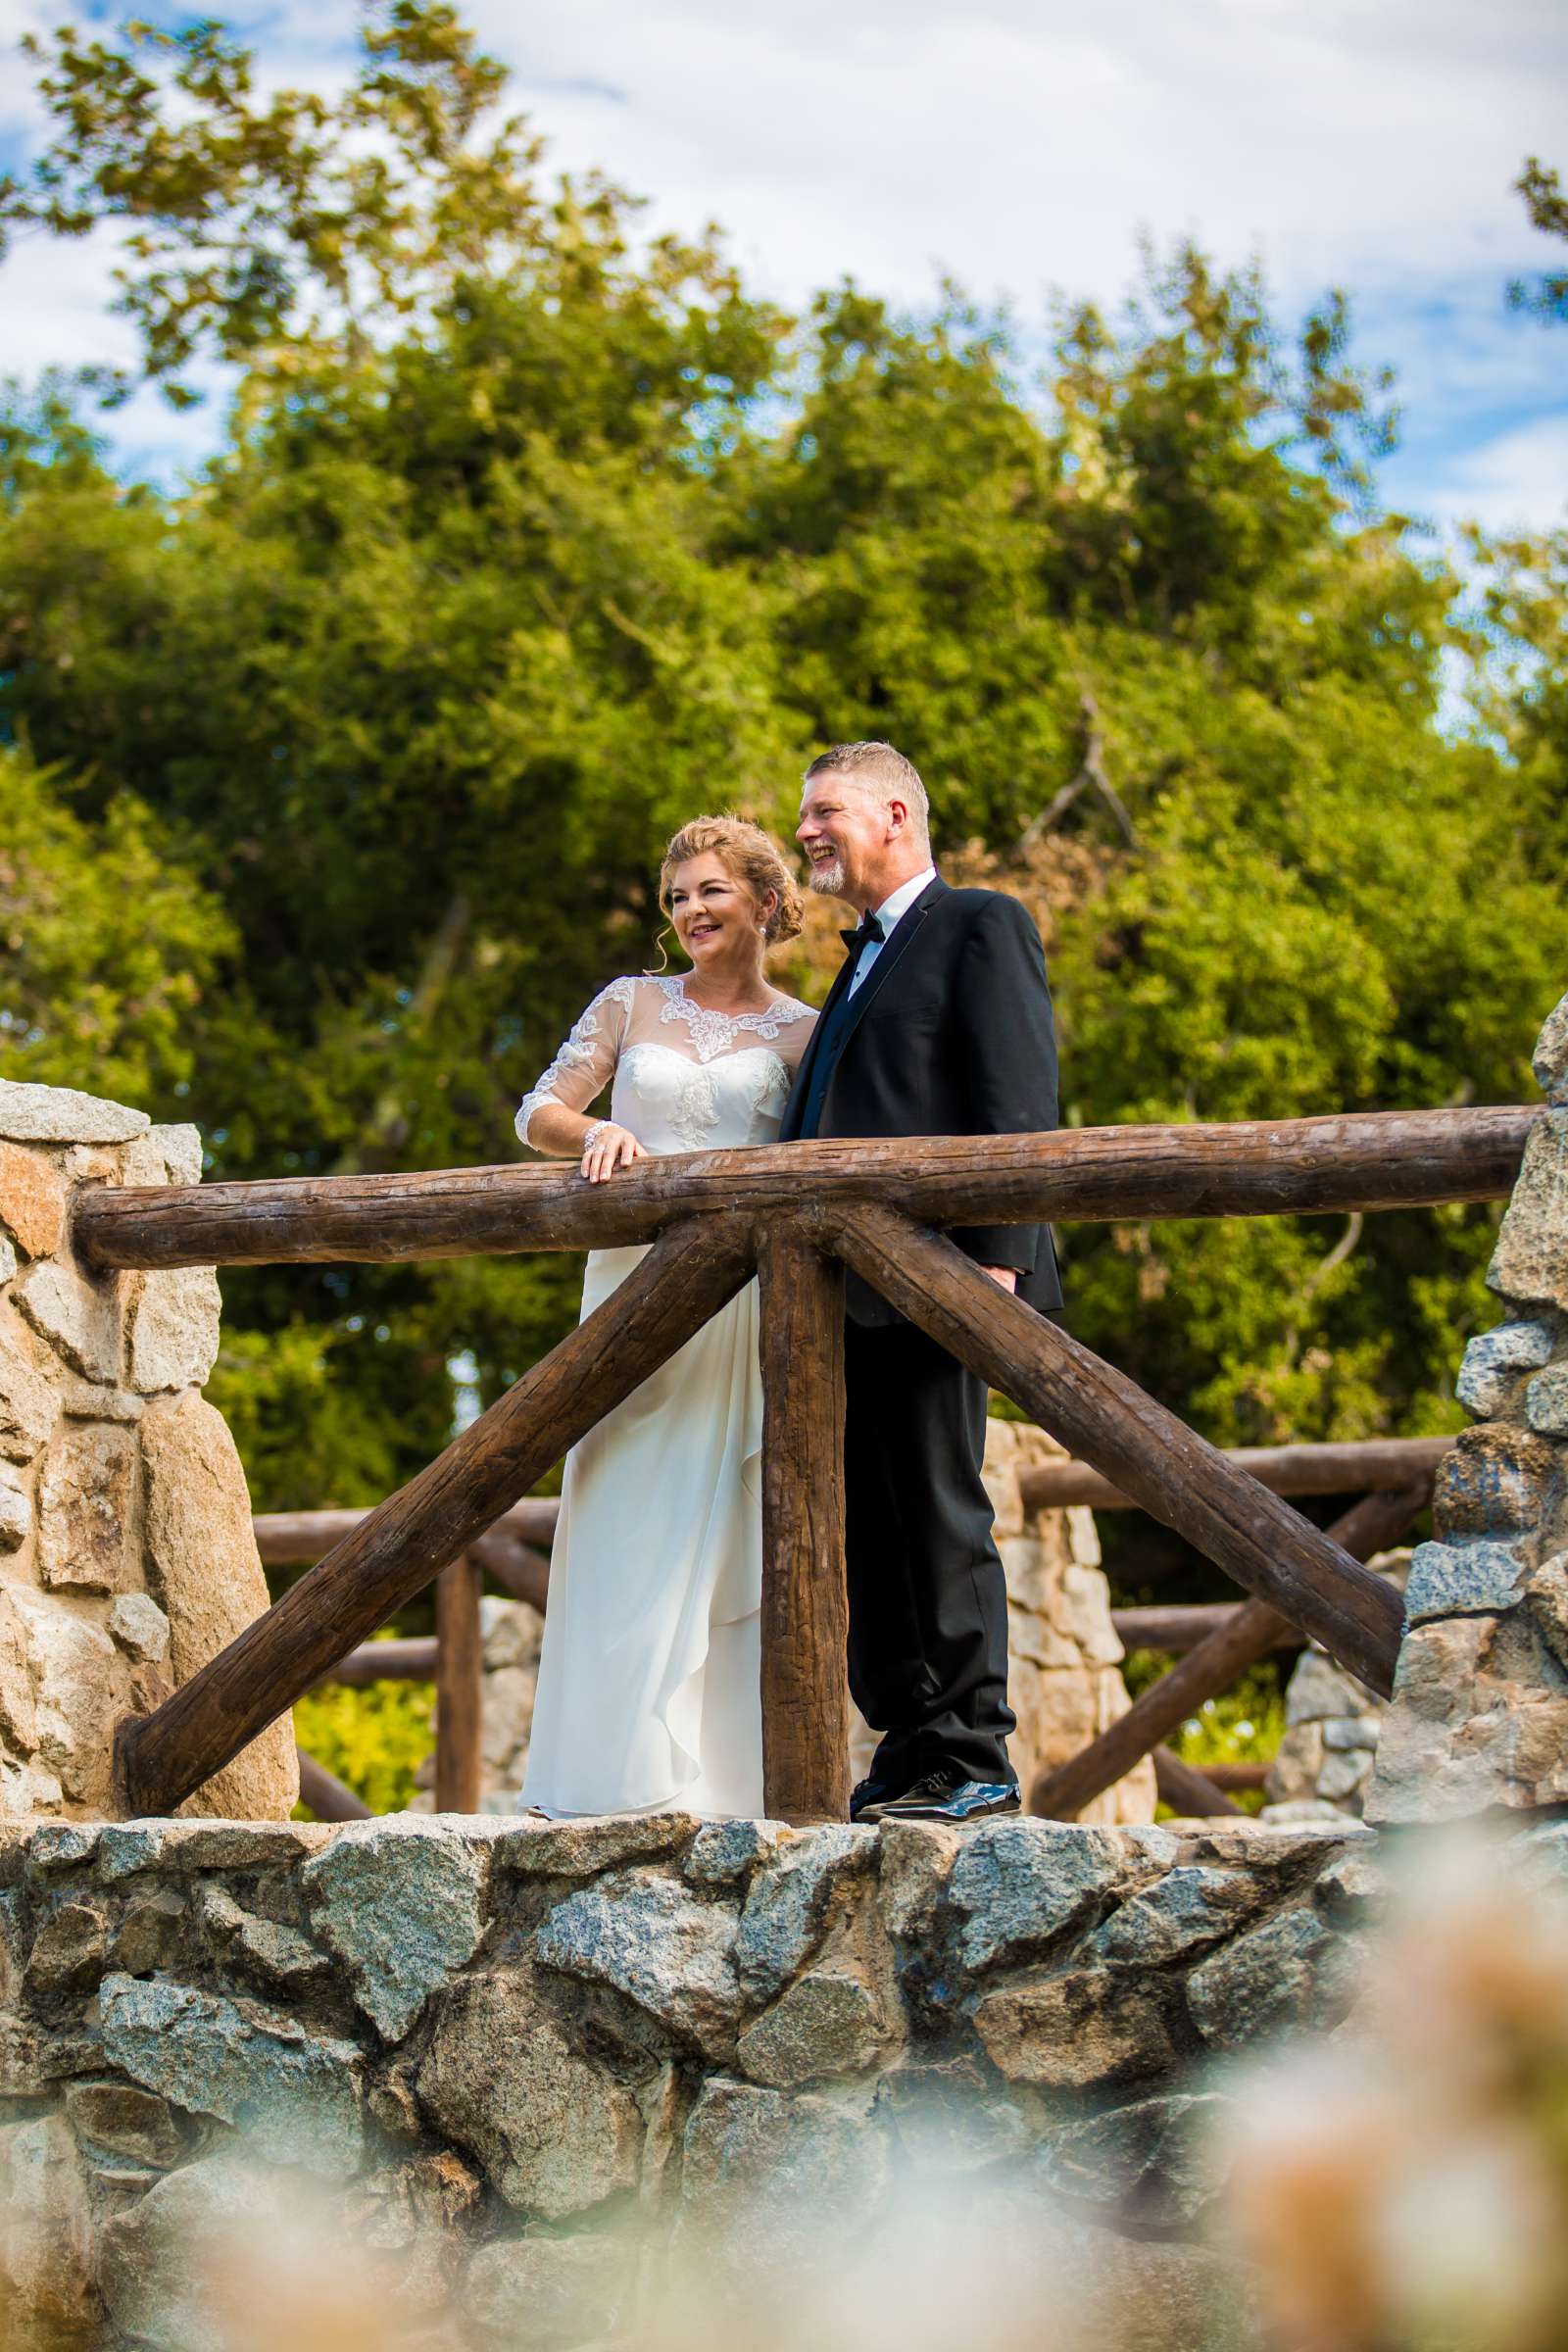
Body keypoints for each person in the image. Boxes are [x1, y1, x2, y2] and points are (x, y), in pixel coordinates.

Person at [782, 740, 1061, 1827]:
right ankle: (907, 1742)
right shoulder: (855, 962)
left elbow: (1017, 1099)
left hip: (944, 1279)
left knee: (941, 1511)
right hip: (843, 1300)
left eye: (824, 810)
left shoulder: (979, 924)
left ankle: (971, 1750)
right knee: (870, 1522)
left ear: (894, 814)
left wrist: (994, 1264)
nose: (806, 829)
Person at [513, 817, 815, 1818]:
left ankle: (718, 1783)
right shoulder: (629, 1003)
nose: (689, 910)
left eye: (710, 892)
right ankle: (603, 1774)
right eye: (677, 896)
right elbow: (536, 1111)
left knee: (724, 1516)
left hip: (742, 1306)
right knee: (618, 1495)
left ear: (766, 902)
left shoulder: (804, 1032)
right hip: (630, 1285)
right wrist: (599, 1128)